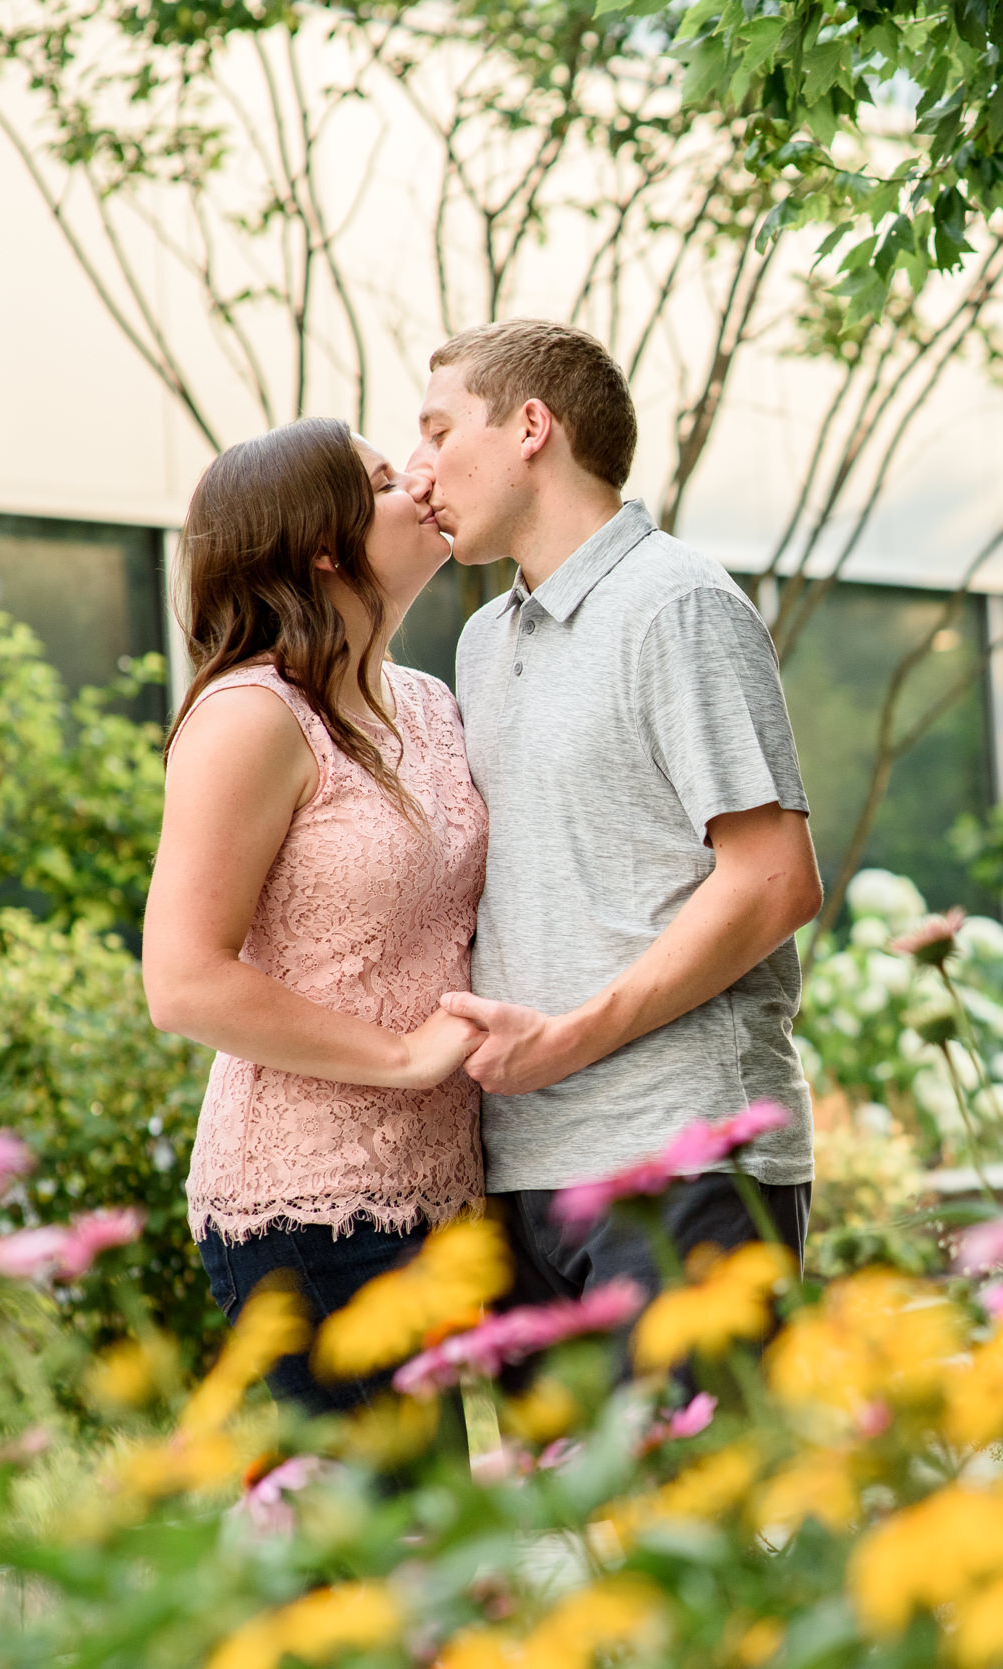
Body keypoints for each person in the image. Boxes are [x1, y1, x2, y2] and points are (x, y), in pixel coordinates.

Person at [407, 319, 820, 1312]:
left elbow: (774, 879)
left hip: (684, 1161)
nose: (419, 473)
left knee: (693, 1473)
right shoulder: (480, 640)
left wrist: (571, 1040)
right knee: (559, 1474)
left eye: (437, 432)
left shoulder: (677, 605)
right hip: (522, 1172)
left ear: (531, 428)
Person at [141, 417, 490, 1413]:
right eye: (386, 479)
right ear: (325, 543)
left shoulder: (426, 703)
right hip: (306, 1212)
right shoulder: (251, 715)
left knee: (438, 1544)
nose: (421, 481)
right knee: (378, 1552)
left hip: (443, 1189)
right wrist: (403, 1057)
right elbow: (184, 980)